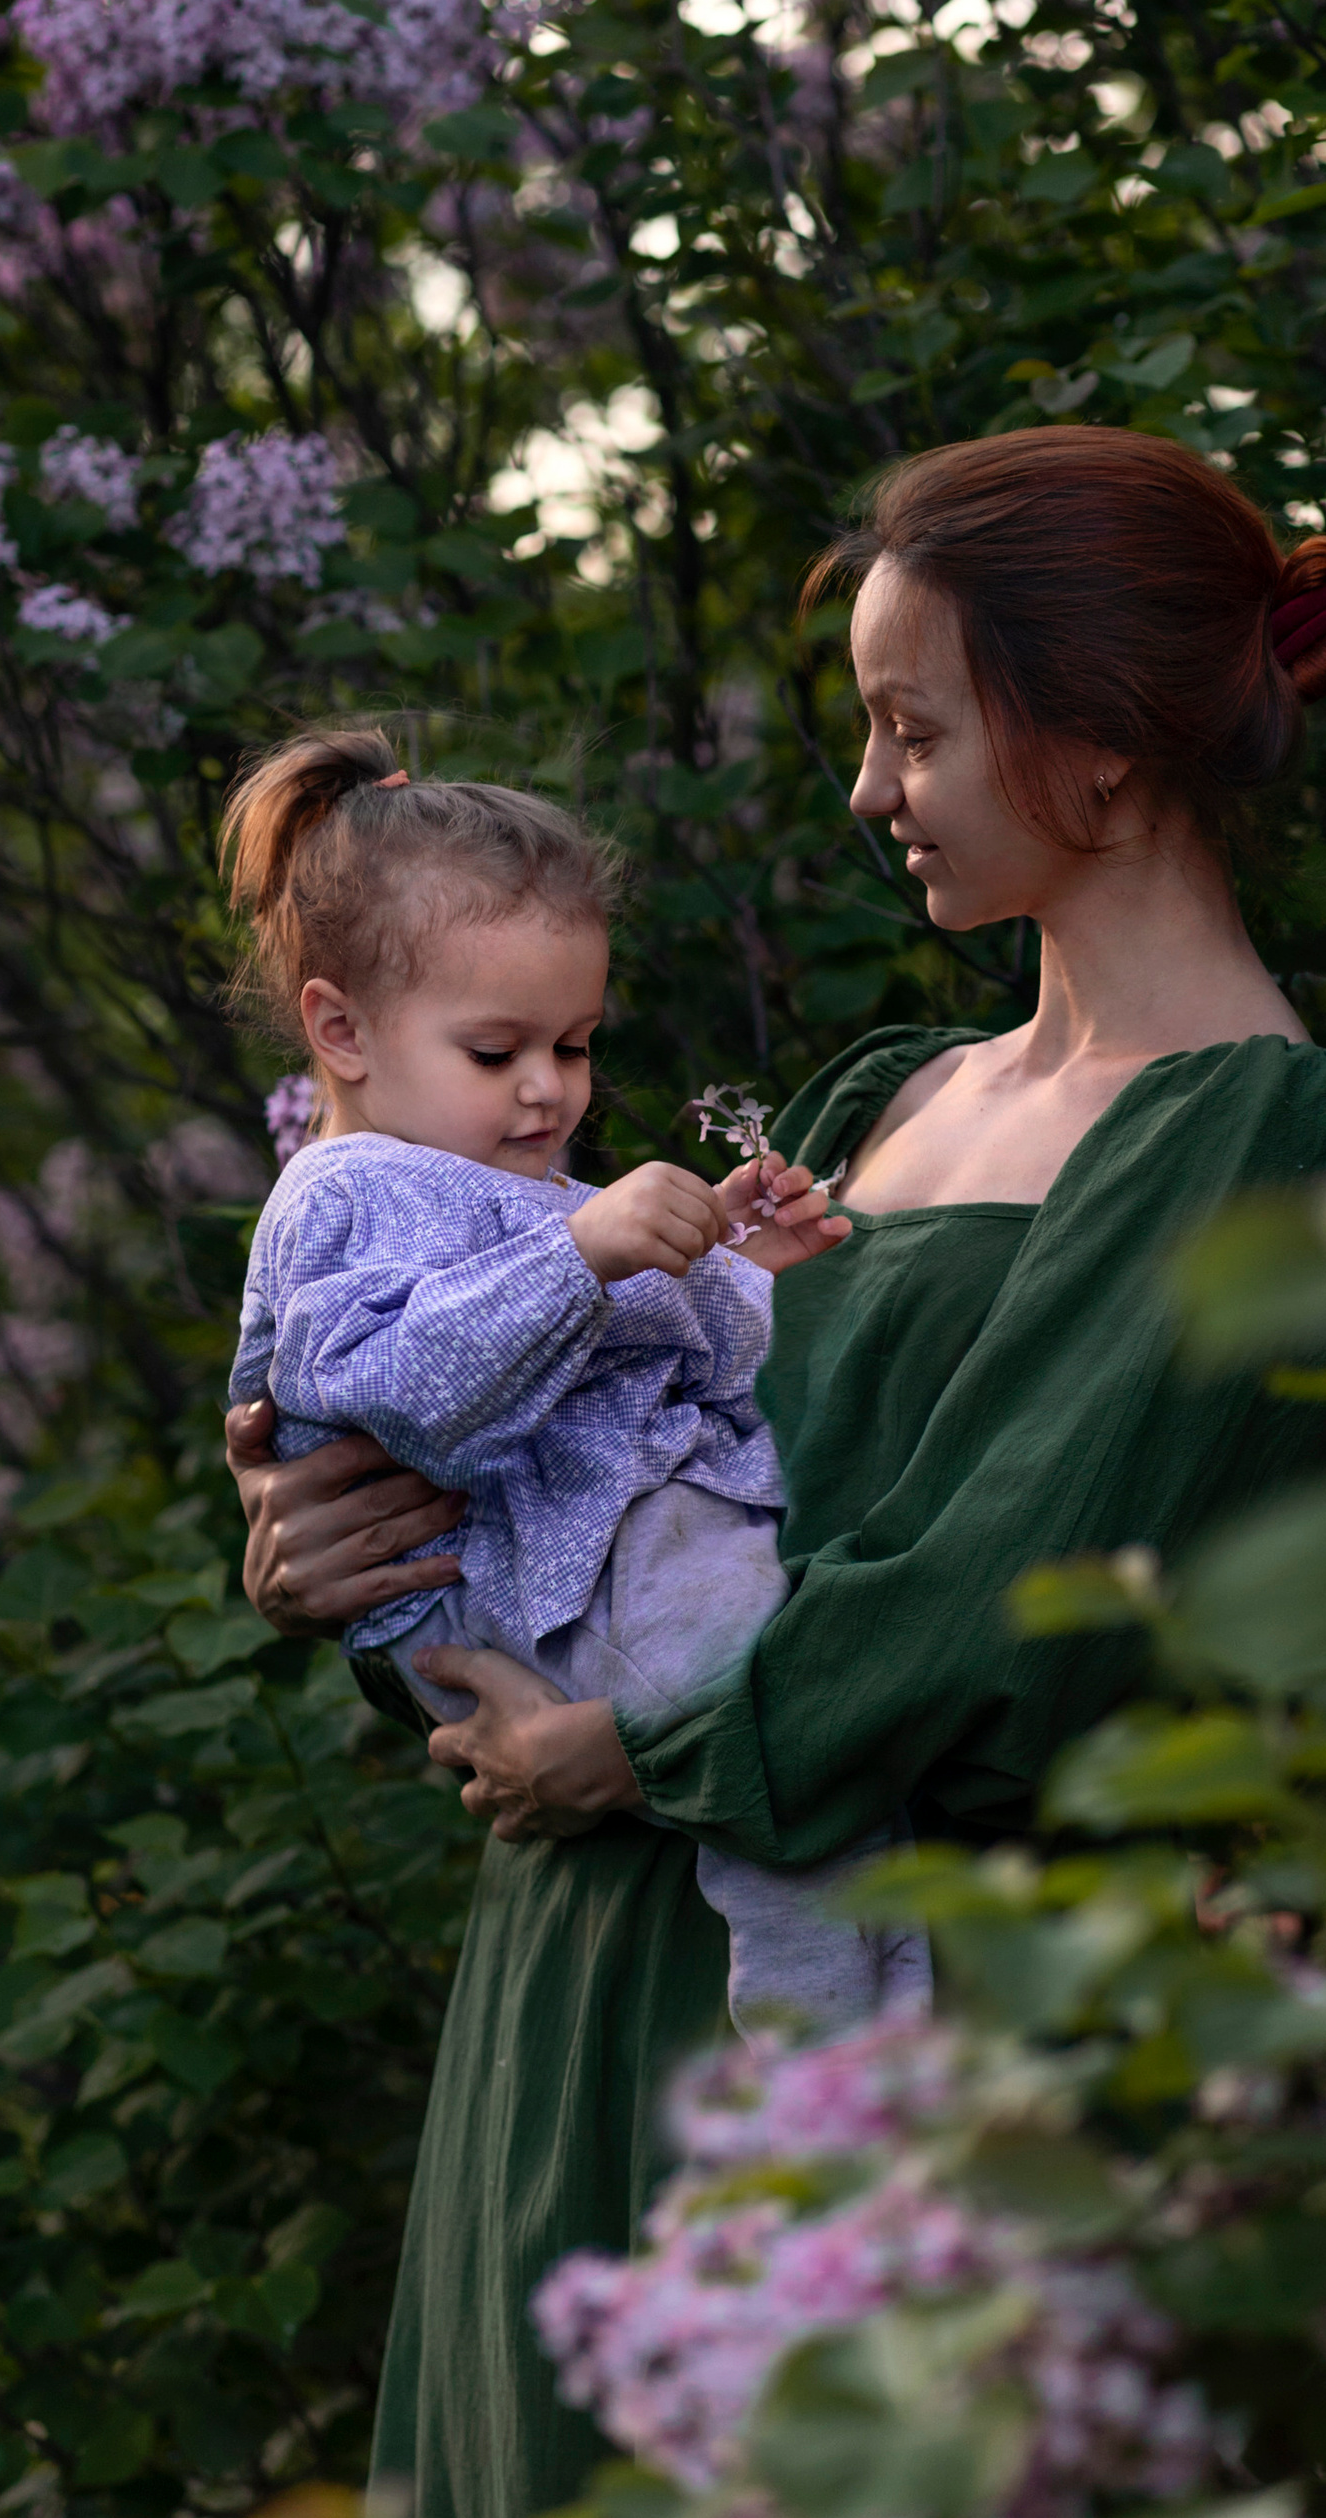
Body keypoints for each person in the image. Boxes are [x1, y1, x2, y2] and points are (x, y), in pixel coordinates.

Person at [225, 428, 1326, 2518]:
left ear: (1090, 745)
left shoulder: (1260, 1134)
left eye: (913, 727)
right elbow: (601, 1495)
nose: (865, 786)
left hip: (912, 2042)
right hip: (589, 1978)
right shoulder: (870, 1108)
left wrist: (633, 1755)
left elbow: (1015, 1616)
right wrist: (323, 1541)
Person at [218, 724, 927, 2038]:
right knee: (770, 1707)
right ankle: (824, 2062)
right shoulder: (342, 1195)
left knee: (824, 1721)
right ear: (342, 1029)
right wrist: (584, 1260)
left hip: (605, 1553)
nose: (549, 1091)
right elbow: (407, 1390)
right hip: (527, 1581)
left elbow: (698, 1360)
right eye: (497, 1054)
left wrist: (733, 1260)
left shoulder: (519, 1188)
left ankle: (890, 2018)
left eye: (578, 1045)